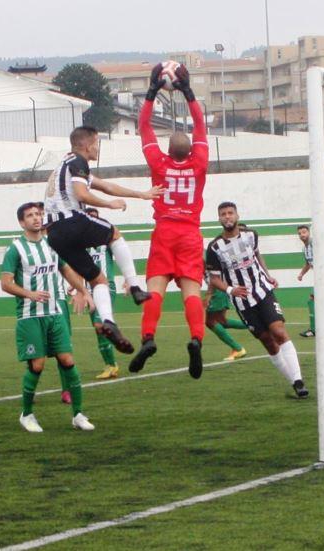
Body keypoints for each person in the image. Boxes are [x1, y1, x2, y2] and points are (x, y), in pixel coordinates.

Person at [43, 126, 163, 355]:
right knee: (114, 234)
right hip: (70, 220)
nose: (97, 148)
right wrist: (110, 204)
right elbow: (82, 194)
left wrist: (141, 194)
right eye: (96, 143)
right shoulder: (78, 161)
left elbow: (107, 186)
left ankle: (108, 322)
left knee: (98, 280)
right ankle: (135, 286)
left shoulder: (66, 164)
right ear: (87, 145)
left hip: (55, 235)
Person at [129, 62, 209, 378]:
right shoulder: (199, 163)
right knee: (191, 293)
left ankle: (148, 338)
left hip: (164, 231)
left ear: (168, 149)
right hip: (190, 233)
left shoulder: (159, 164)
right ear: (191, 149)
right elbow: (200, 124)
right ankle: (196, 339)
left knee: (155, 289)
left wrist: (152, 92)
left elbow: (144, 127)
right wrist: (188, 92)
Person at [2, 202, 96, 432]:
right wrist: (29, 294)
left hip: (55, 314)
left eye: (38, 214)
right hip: (30, 316)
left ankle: (78, 414)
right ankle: (27, 414)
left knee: (68, 361)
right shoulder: (15, 249)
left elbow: (66, 270)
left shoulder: (52, 245)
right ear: (22, 222)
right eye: (30, 215)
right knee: (38, 364)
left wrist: (84, 292)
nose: (36, 218)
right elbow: (5, 283)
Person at [205, 202, 309, 398]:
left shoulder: (251, 235)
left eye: (230, 213)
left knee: (278, 331)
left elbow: (257, 255)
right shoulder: (214, 247)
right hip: (242, 301)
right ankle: (293, 382)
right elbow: (214, 278)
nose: (227, 217)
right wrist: (231, 289)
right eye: (223, 214)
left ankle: (299, 381)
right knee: (268, 341)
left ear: (237, 215)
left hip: (263, 291)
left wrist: (268, 276)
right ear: (219, 219)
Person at [83, 208, 121, 380]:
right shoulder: (80, 243)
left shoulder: (106, 240)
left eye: (95, 218)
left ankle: (112, 364)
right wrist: (78, 288)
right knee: (98, 329)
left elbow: (120, 255)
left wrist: (128, 280)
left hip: (106, 286)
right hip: (89, 290)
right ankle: (109, 364)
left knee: (100, 325)